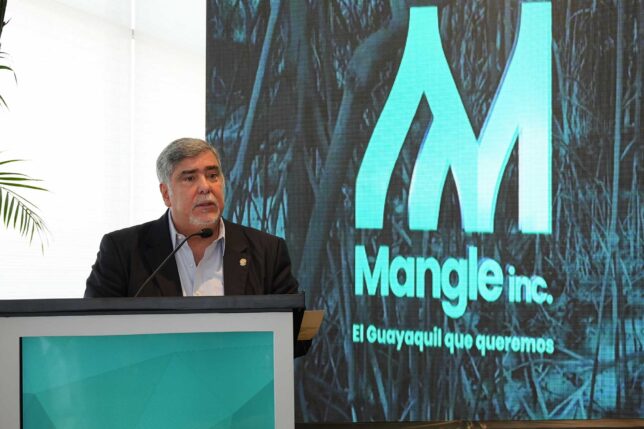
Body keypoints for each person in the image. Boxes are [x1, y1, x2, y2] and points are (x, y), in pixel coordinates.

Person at [85, 138, 299, 297]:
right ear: (166, 194)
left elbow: (292, 333)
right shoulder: (122, 252)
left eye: (213, 176)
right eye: (189, 178)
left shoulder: (267, 251)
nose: (205, 187)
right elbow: (94, 330)